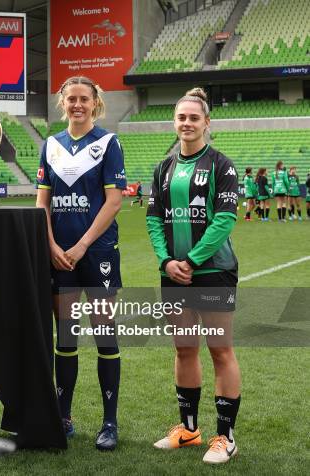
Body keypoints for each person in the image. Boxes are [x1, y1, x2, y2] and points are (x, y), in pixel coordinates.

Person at [146, 87, 241, 464]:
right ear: (174, 122)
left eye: (193, 117)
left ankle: (226, 437)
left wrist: (192, 261)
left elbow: (225, 219)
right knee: (184, 348)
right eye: (181, 117)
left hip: (213, 272)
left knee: (220, 350)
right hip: (174, 274)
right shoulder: (163, 168)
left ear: (206, 122)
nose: (186, 123)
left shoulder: (222, 165)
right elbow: (154, 219)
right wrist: (167, 261)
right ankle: (188, 430)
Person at [35, 76, 126, 451]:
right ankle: (63, 417)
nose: (77, 105)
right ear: (62, 102)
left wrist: (81, 245)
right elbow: (42, 203)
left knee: (104, 333)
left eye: (83, 99)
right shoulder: (50, 145)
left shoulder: (107, 143)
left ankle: (109, 422)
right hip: (59, 255)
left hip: (98, 253)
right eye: (71, 99)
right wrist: (53, 244)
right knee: (66, 334)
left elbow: (114, 201)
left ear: (95, 103)